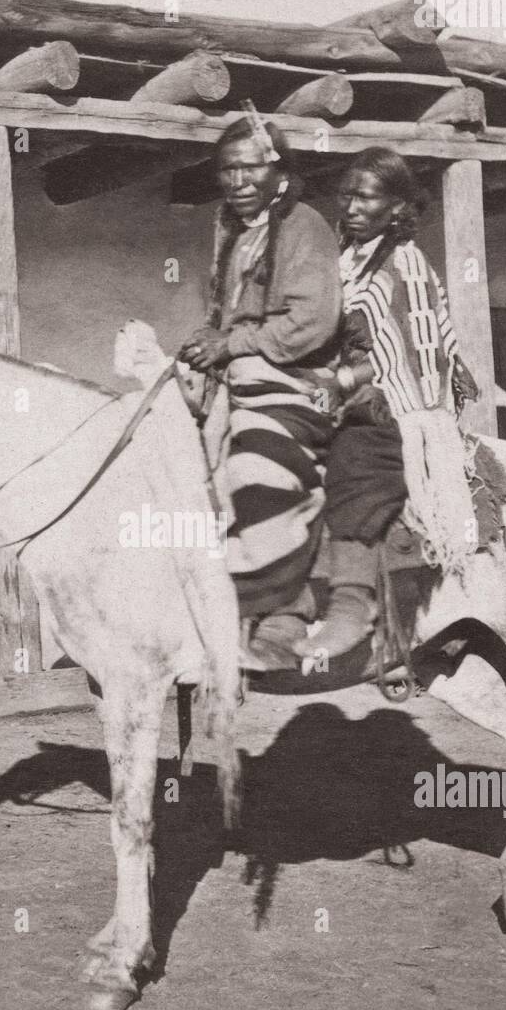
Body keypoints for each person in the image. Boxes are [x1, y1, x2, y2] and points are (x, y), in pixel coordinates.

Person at [295, 147, 479, 662]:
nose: (351, 206)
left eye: (366, 196)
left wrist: (344, 380)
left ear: (396, 207)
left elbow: (419, 355)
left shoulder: (407, 263)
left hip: (401, 411)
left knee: (355, 466)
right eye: (346, 195)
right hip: (346, 395)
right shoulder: (345, 260)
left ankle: (352, 608)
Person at [180, 115, 342, 670]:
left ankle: (283, 614)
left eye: (252, 165)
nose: (239, 179)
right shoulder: (230, 228)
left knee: (256, 466)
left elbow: (313, 323)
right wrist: (210, 340)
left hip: (302, 382)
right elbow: (225, 316)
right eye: (228, 168)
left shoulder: (306, 226)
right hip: (242, 376)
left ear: (279, 169)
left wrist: (233, 345)